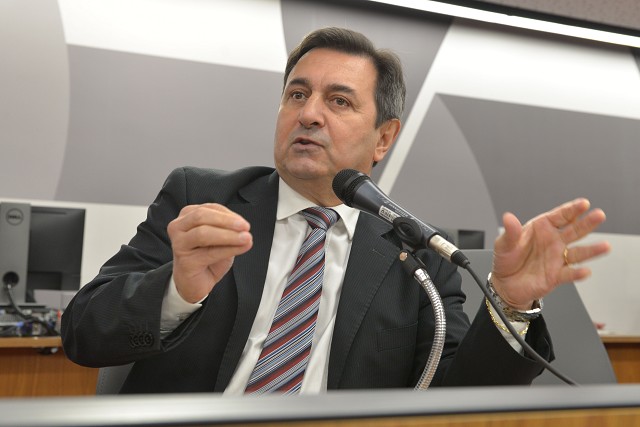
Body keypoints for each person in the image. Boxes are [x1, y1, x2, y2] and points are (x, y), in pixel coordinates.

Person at [61, 27, 610, 394]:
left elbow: (456, 398)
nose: (309, 115)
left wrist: (509, 305)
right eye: (297, 95)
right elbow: (83, 334)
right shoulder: (202, 200)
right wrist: (177, 290)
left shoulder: (418, 255)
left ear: (383, 138)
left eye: (339, 101)